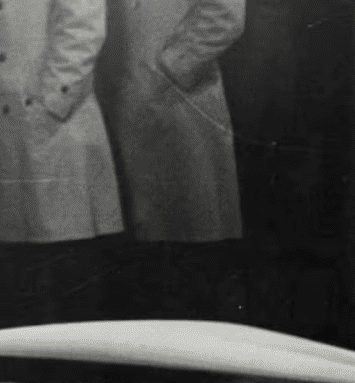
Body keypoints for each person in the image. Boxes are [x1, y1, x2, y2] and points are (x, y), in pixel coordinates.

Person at [0, 0, 123, 331]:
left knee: (64, 263)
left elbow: (82, 27)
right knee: (5, 268)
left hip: (53, 126)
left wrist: (52, 102)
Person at [97, 0, 247, 322]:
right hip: (117, 94)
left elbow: (227, 15)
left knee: (186, 244)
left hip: (178, 99)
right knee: (135, 249)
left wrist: (172, 64)